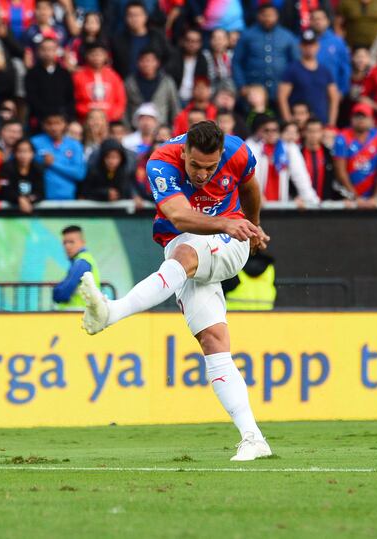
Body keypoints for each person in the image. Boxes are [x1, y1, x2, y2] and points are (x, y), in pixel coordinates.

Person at [79, 121, 273, 461]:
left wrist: (253, 225)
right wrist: (227, 221)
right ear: (184, 152)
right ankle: (253, 437)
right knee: (213, 342)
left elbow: (250, 187)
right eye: (195, 165)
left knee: (184, 256)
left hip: (229, 242)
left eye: (210, 168)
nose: (202, 174)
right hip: (189, 238)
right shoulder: (160, 162)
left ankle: (112, 312)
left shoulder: (238, 151)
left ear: (221, 156)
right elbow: (180, 216)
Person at [246, 115, 320, 205]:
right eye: (267, 130)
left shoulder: (289, 148)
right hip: (257, 205)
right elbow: (250, 176)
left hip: (281, 205)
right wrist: (256, 196)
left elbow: (300, 176)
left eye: (274, 130)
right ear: (260, 131)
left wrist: (312, 201)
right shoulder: (252, 147)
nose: (271, 133)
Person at [232, 4, 300, 101]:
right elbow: (237, 62)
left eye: (271, 15)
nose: (268, 18)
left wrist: (292, 85)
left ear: (277, 16)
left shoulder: (287, 36)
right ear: (258, 16)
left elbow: (295, 63)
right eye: (265, 15)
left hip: (280, 92)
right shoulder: (247, 35)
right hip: (253, 91)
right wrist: (241, 85)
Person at [278, 30, 339, 127]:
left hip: (320, 124)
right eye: (306, 45)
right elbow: (282, 97)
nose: (309, 48)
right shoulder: (292, 69)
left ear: (317, 46)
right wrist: (288, 122)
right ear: (300, 46)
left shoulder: (325, 70)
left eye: (312, 44)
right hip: (299, 125)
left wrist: (331, 124)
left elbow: (334, 97)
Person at [334, 102, 377, 207]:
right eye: (357, 116)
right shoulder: (342, 138)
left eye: (364, 116)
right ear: (351, 119)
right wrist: (355, 197)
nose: (360, 120)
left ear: (372, 120)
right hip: (348, 196)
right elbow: (340, 171)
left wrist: (376, 196)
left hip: (373, 196)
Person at [31, 111, 86, 200]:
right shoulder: (34, 142)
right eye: (49, 123)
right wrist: (42, 162)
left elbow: (79, 174)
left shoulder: (75, 145)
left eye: (57, 123)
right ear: (43, 125)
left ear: (65, 124)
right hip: (40, 200)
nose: (53, 127)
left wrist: (53, 164)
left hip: (68, 200)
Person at [24, 37, 75, 126]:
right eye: (44, 49)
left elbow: (70, 98)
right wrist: (47, 115)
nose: (47, 53)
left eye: (51, 49)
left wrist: (63, 116)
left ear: (56, 51)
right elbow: (32, 98)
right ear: (38, 52)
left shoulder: (64, 73)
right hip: (40, 119)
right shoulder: (32, 74)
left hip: (62, 119)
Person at [125, 48, 181, 129]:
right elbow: (125, 108)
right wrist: (127, 128)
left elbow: (174, 106)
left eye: (149, 61)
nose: (146, 64)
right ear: (138, 63)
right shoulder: (130, 82)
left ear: (157, 63)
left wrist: (173, 129)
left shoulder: (167, 82)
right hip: (135, 129)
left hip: (161, 129)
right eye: (143, 61)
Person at [72, 42, 126, 123]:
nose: (97, 58)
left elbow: (120, 101)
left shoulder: (113, 76)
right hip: (85, 120)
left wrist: (109, 116)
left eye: (100, 55)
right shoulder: (78, 77)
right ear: (87, 56)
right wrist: (91, 115)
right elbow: (74, 101)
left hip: (110, 121)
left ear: (106, 56)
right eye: (93, 54)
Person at [53, 225, 99, 310]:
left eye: (71, 242)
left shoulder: (82, 262)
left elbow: (63, 294)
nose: (67, 246)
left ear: (83, 242)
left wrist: (56, 291)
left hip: (78, 315)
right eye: (65, 243)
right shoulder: (82, 260)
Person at [301, 117, 343, 201]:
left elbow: (335, 181)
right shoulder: (298, 155)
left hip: (325, 205)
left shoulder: (330, 155)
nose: (313, 135)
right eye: (310, 131)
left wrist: (342, 198)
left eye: (317, 131)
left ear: (322, 132)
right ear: (304, 132)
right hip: (302, 206)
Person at [0, 137, 44, 213]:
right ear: (14, 153)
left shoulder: (37, 169)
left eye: (27, 151)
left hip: (32, 210)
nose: (23, 155)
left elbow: (40, 193)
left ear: (33, 153)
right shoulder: (6, 168)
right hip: (8, 211)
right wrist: (19, 199)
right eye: (20, 151)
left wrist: (29, 199)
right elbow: (4, 190)